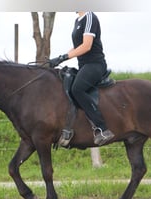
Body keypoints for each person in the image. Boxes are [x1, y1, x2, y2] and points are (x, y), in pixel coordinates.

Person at [49, 12, 115, 146]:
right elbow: (78, 45)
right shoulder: (77, 20)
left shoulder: (90, 17)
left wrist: (64, 58)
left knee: (77, 89)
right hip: (84, 65)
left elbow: (86, 45)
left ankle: (102, 128)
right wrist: (60, 56)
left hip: (95, 64)